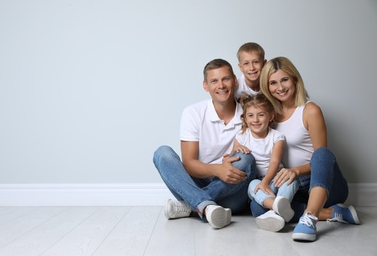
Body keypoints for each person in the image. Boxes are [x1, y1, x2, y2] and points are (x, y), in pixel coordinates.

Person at [255, 56, 360, 241]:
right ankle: (331, 213)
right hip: (295, 186)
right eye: (273, 83)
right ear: (266, 86)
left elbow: (322, 160)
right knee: (257, 208)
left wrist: (296, 170)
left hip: (324, 182)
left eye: (284, 79)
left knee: (322, 154)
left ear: (295, 79)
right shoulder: (269, 116)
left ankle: (310, 217)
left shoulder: (310, 110)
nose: (280, 87)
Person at [153, 58, 257, 229]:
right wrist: (218, 169)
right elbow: (189, 163)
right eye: (214, 81)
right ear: (205, 86)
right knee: (162, 153)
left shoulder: (250, 114)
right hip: (199, 181)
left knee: (246, 159)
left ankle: (191, 205)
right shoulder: (193, 113)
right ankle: (206, 206)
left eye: (225, 79)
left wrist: (226, 171)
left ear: (235, 81)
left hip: (233, 190)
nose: (221, 85)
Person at [231, 93, 299, 232]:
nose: (255, 120)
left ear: (270, 116)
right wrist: (236, 150)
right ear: (244, 118)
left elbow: (275, 161)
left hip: (275, 178)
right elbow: (231, 159)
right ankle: (277, 207)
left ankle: (276, 212)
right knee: (252, 185)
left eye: (261, 115)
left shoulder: (277, 137)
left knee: (290, 181)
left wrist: (266, 181)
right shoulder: (242, 136)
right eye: (250, 115)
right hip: (257, 180)